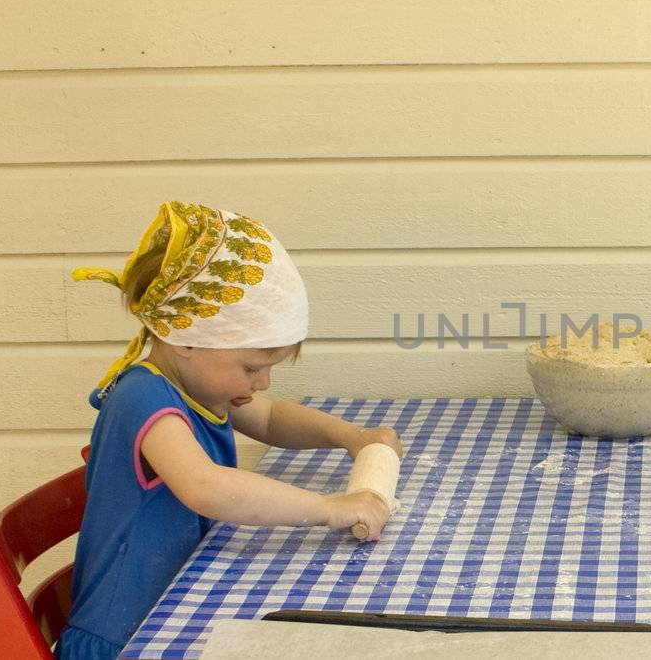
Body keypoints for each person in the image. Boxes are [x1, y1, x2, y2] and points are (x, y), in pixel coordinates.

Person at [55, 201, 403, 658]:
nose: (262, 383)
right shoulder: (142, 398)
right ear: (189, 340)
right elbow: (206, 487)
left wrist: (352, 438)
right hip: (127, 638)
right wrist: (328, 507)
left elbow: (273, 418)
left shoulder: (200, 388)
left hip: (178, 605)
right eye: (251, 367)